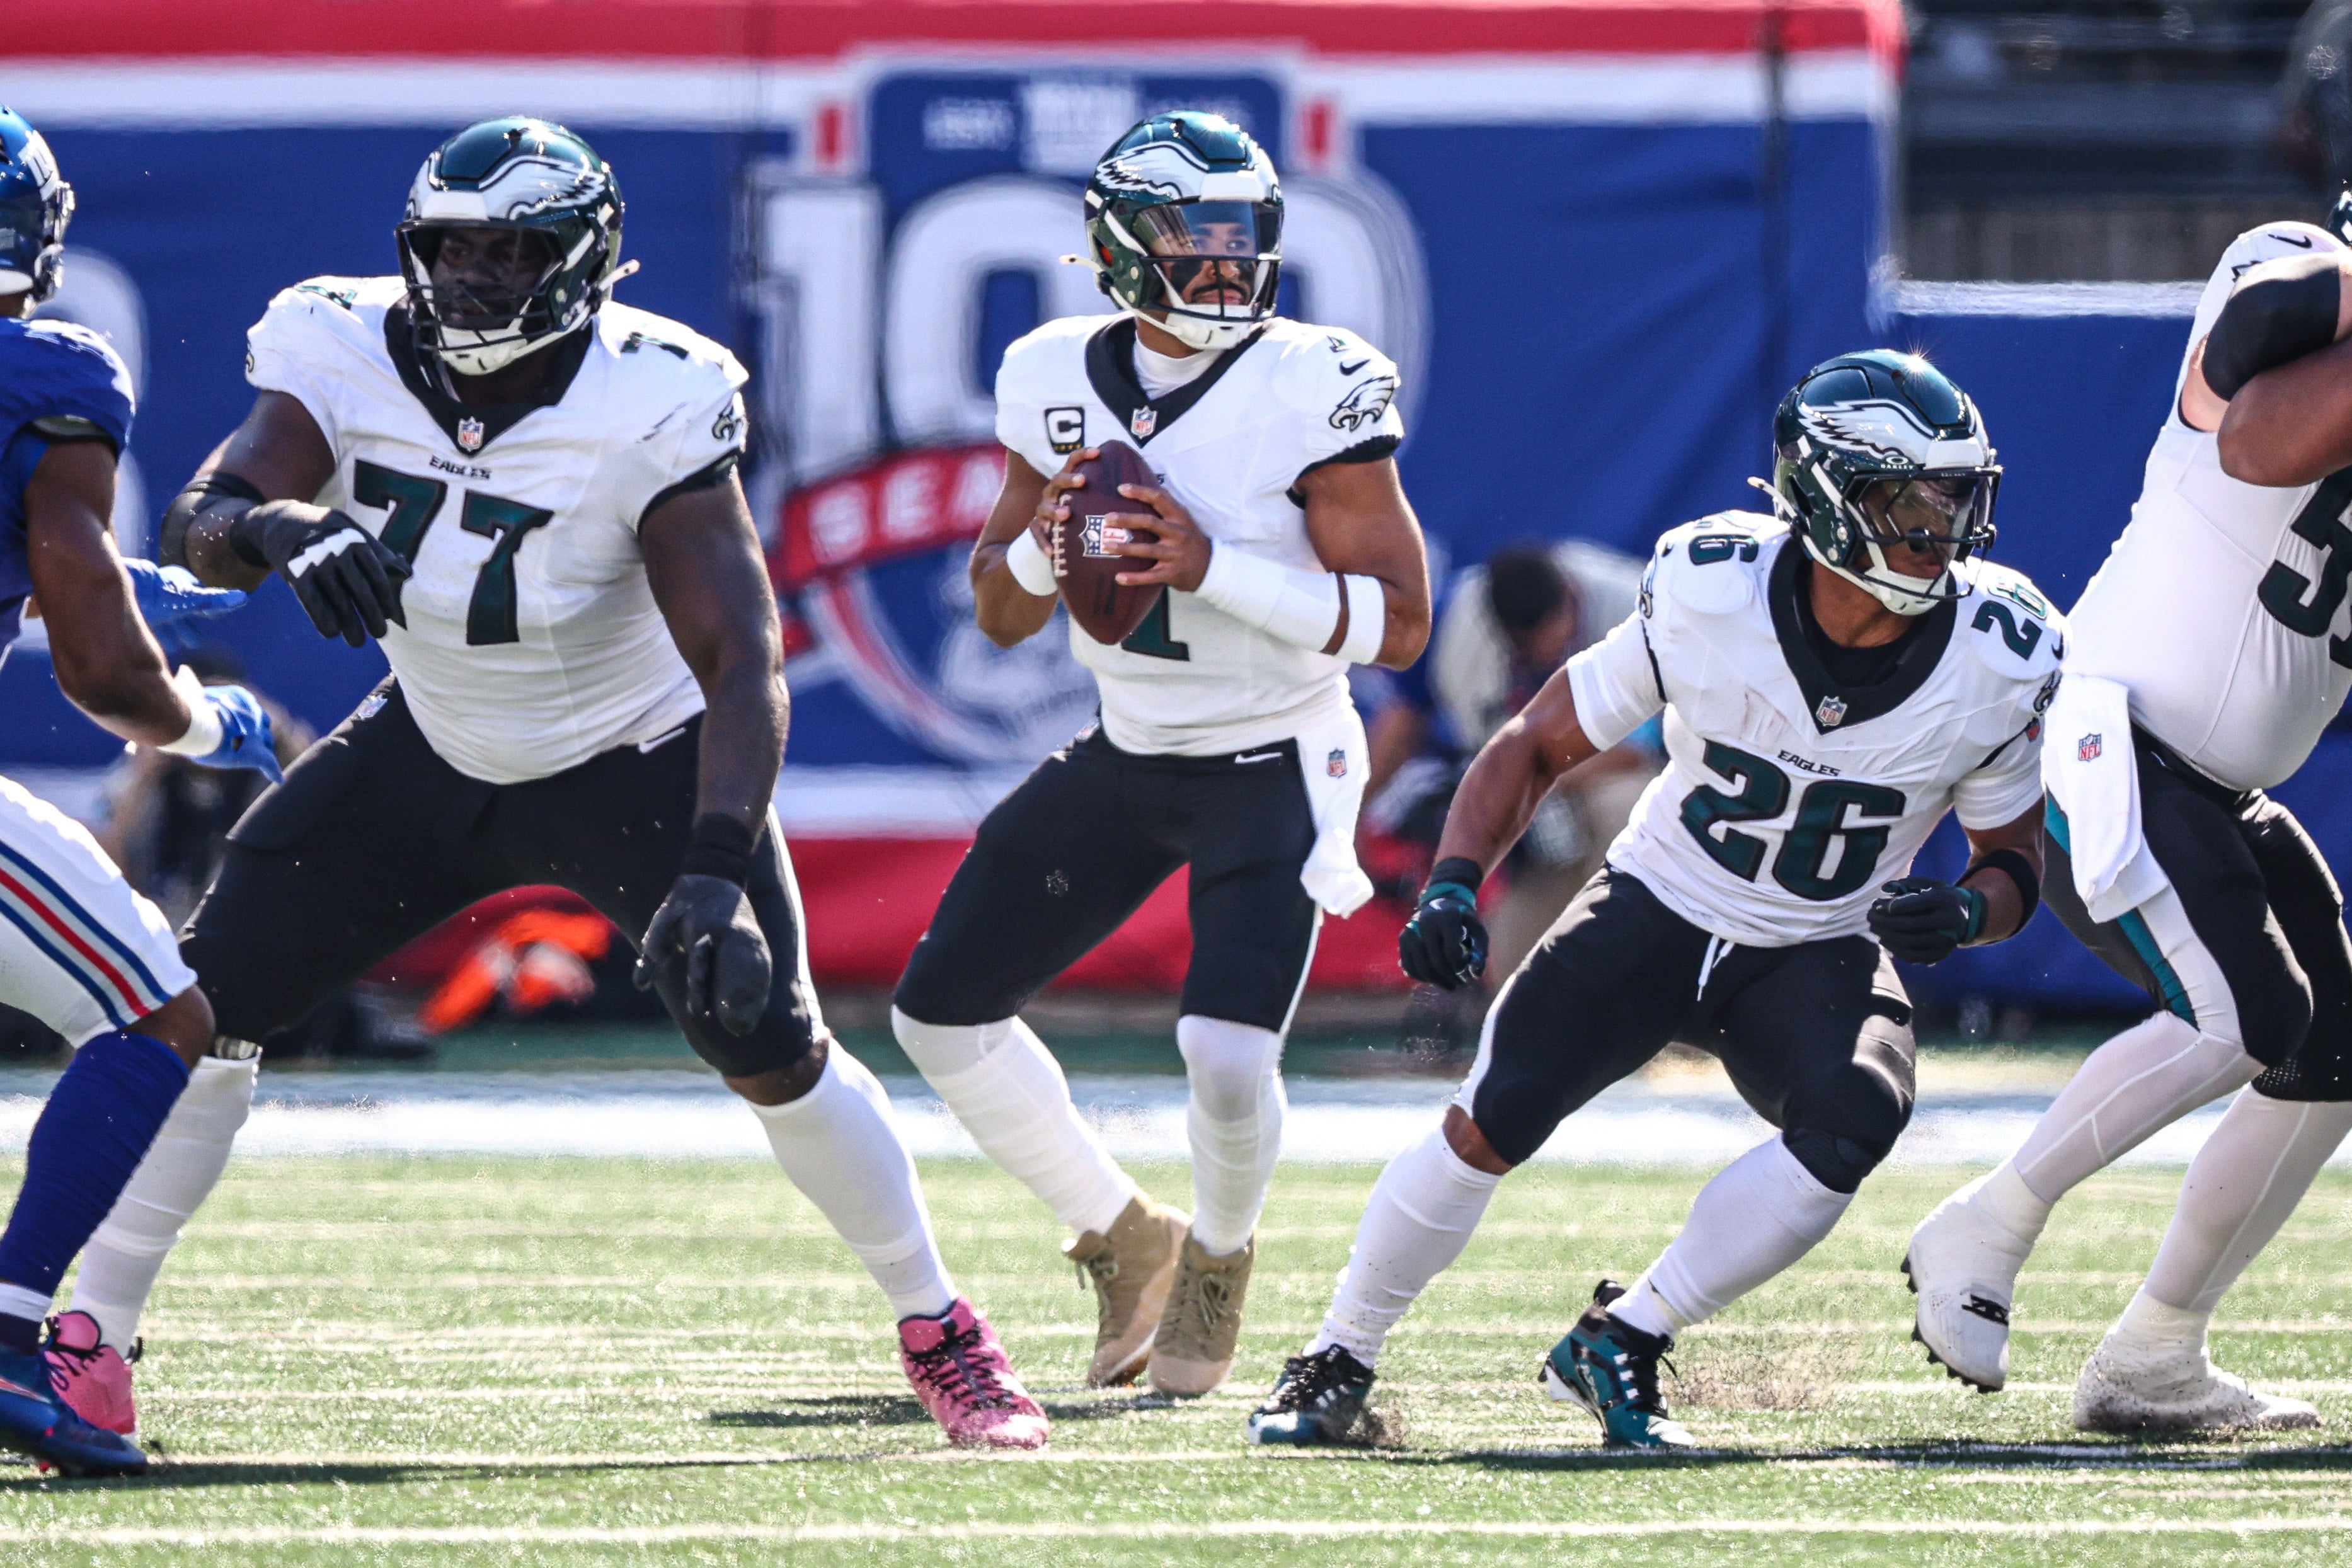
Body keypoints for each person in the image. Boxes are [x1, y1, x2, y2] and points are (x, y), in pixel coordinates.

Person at [71, 118, 1048, 1452]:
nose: (472, 279)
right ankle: (95, 1342)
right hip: (432, 741)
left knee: (772, 1045)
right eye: (451, 249)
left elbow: (738, 647)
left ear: (584, 264)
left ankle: (943, 1331)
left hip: (627, 757)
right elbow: (207, 518)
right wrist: (279, 526)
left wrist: (712, 861)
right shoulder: (336, 340)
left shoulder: (652, 392)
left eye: (511, 252)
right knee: (200, 1010)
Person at [1248, 351, 2055, 1449]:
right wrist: (1450, 879)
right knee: (1492, 1116)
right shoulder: (1708, 590)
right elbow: (1536, 741)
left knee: (1856, 1114)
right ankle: (1337, 1354)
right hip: (1658, 904)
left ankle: (1625, 1335)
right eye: (1904, 499)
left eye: (1954, 497)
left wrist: (1972, 910)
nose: (1937, 526)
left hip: (1813, 942)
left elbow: (2011, 857)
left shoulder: (1998, 654)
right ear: (1823, 496)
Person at [889, 110, 1432, 1397]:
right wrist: (1058, 532)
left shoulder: (1317, 379)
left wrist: (1212, 566)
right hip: (1130, 746)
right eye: (1192, 241)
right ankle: (1129, 1236)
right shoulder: (1050, 372)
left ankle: (1220, 1257)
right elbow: (1001, 606)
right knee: (937, 1017)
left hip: (1279, 753)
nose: (1224, 268)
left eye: (1241, 238)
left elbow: (1400, 627)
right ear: (1115, 249)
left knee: (1226, 1055)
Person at [1907, 218, 2352, 1431]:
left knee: (2332, 1052)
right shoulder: (2287, 283)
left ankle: (2156, 1352)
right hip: (2116, 743)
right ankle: (1982, 1224)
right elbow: (2258, 355)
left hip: (2214, 784)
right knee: (2248, 1017)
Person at [0, 106, 280, 1475]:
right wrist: (198, 721)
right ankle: (6, 1331)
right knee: (153, 1008)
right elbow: (100, 658)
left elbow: (74, 575)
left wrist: (163, 585)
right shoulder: (44, 370)